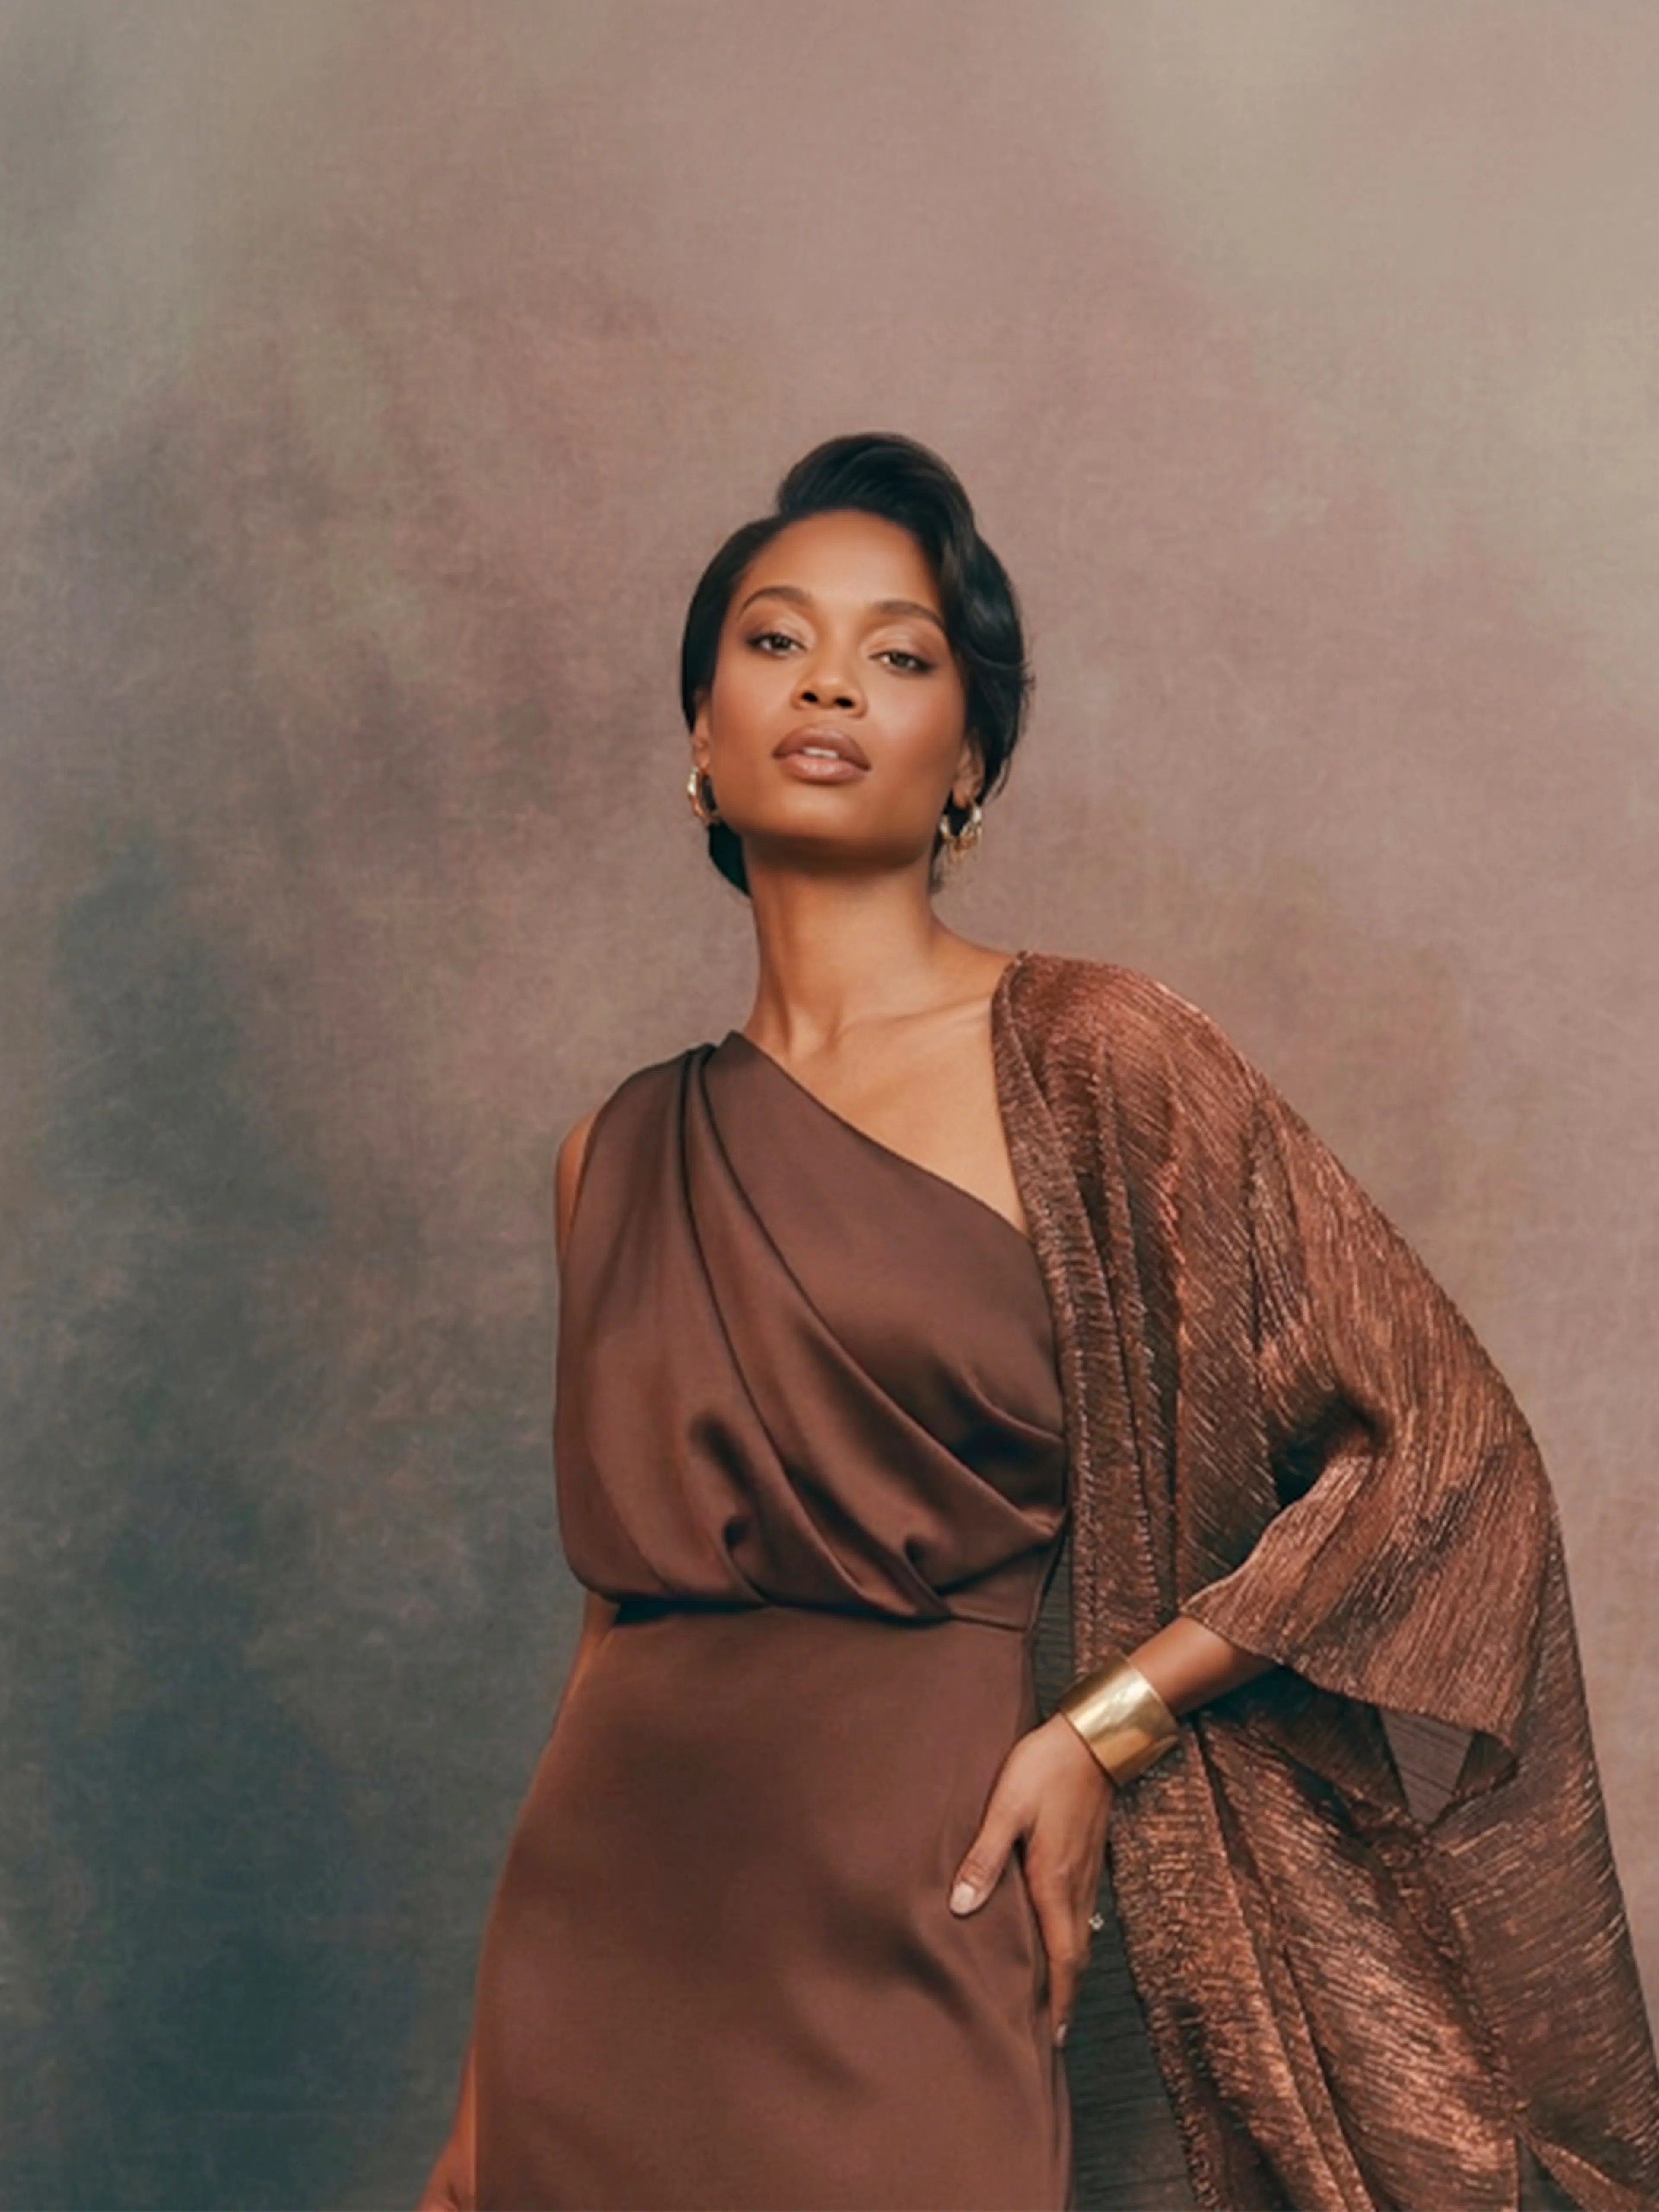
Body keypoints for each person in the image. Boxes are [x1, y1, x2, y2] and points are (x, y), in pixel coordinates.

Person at [420, 434, 1659, 2212]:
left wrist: (1105, 1728)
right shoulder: (611, 1153)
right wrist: (484, 2100)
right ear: (701, 733)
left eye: (899, 652)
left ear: (971, 763)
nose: (829, 681)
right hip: (607, 1947)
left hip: (938, 1890)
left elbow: (1442, 1453)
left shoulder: (1099, 1060)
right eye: (775, 640)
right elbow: (620, 1622)